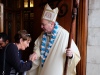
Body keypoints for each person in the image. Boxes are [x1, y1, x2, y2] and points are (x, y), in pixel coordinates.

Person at [26, 4, 81, 75]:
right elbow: (38, 46)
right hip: (43, 70)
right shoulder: (43, 34)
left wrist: (71, 55)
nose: (41, 26)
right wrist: (35, 53)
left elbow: (76, 54)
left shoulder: (64, 35)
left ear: (52, 24)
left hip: (55, 70)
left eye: (43, 24)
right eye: (41, 24)